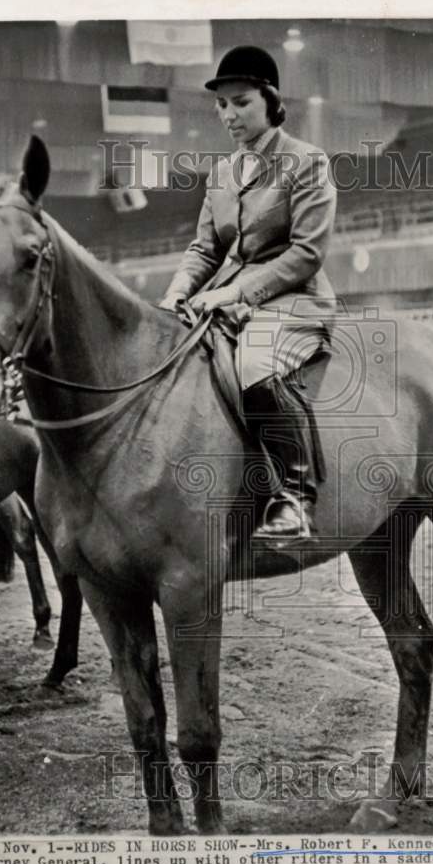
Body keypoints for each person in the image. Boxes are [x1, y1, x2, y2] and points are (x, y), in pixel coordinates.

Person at [161, 45, 338, 542]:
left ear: (270, 100)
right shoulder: (221, 173)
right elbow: (203, 248)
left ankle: (294, 499)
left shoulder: (307, 162)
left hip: (293, 299)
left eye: (240, 102)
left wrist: (235, 293)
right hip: (226, 298)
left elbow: (306, 252)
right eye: (222, 105)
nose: (228, 115)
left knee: (257, 367)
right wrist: (174, 295)